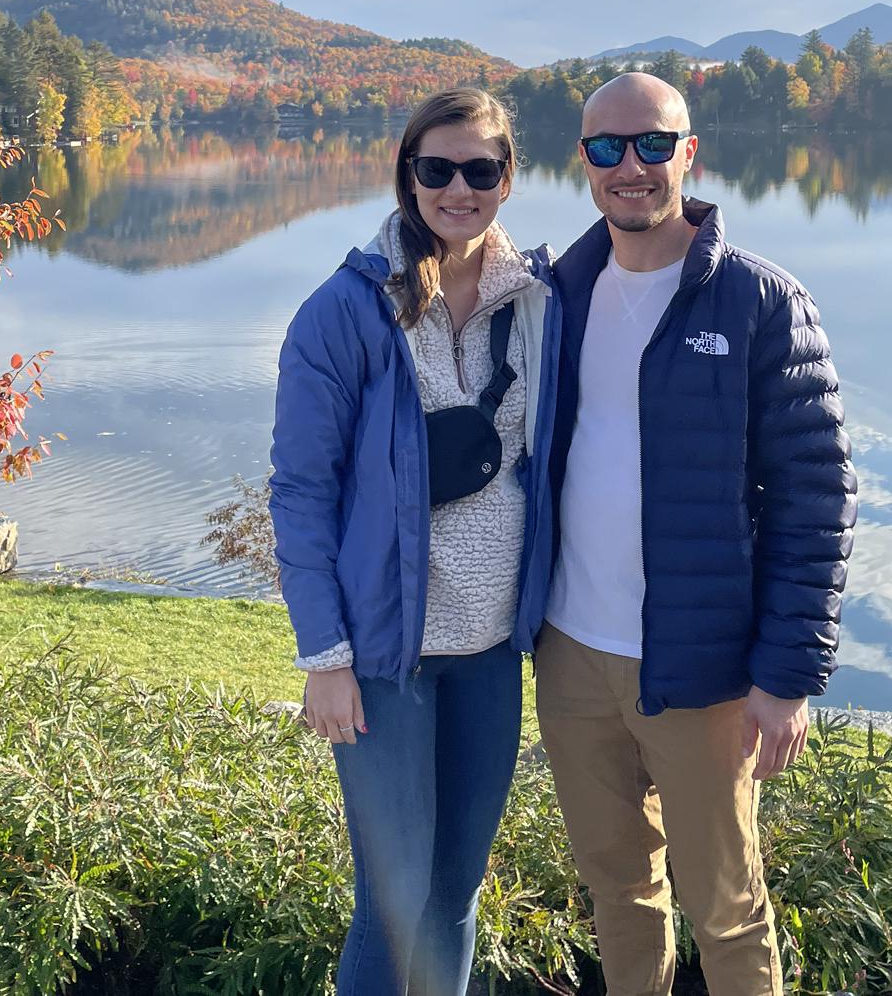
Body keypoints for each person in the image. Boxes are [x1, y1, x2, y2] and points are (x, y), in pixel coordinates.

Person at [536, 71, 857, 996]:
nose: (629, 167)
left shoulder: (759, 302)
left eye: (650, 145)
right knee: (618, 888)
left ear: (690, 153)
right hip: (570, 654)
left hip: (702, 667)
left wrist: (787, 676)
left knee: (726, 903)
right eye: (606, 148)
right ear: (585, 162)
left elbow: (816, 496)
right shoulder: (560, 291)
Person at [267, 86, 561, 996]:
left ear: (508, 178)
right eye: (438, 169)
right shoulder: (344, 312)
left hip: (489, 653)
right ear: (408, 176)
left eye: (480, 169)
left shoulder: (542, 303)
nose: (458, 189)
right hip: (387, 659)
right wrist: (325, 654)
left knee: (456, 893)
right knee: (393, 897)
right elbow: (301, 492)